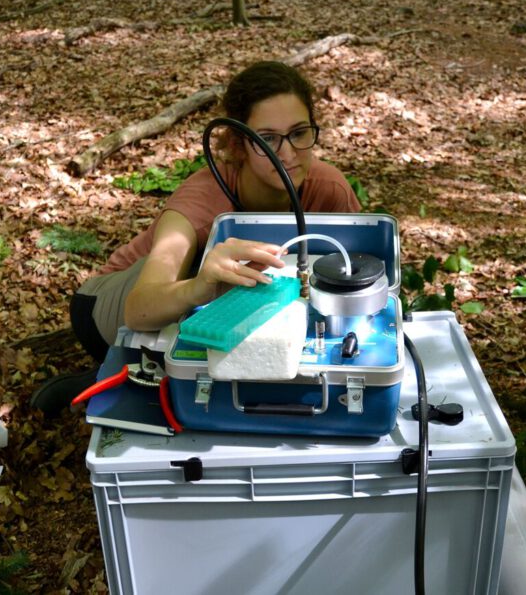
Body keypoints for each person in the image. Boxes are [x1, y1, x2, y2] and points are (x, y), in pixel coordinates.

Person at [31, 61, 361, 416]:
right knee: (199, 262)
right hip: (110, 305)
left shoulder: (329, 191)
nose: (287, 154)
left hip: (194, 310)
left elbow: (361, 275)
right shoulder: (202, 201)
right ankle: (120, 373)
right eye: (266, 139)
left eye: (298, 133)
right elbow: (138, 308)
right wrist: (202, 285)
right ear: (237, 145)